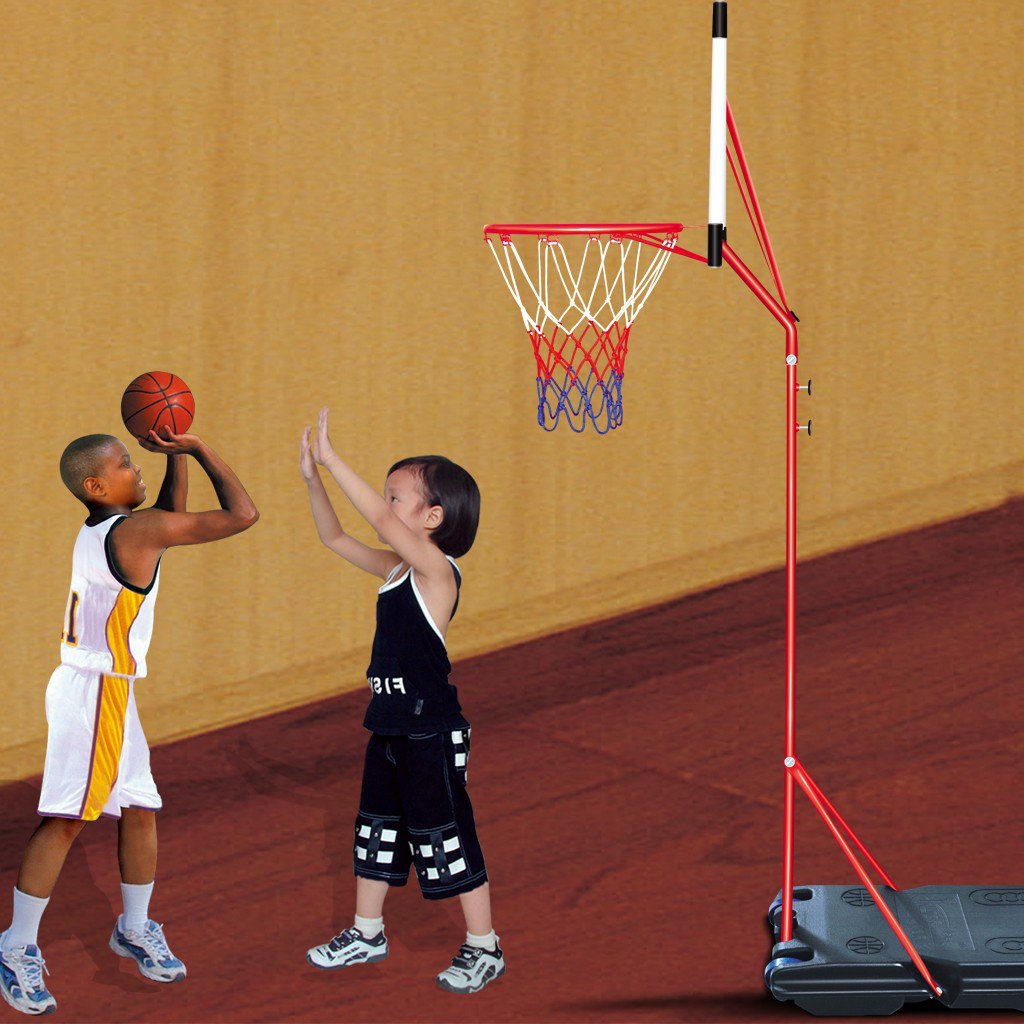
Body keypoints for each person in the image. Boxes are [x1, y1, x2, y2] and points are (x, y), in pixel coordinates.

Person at [0, 426, 258, 1016]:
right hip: (93, 694)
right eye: (124, 463)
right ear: (96, 485)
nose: (135, 467)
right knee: (67, 820)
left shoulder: (111, 529)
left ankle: (134, 928)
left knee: (140, 808)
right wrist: (198, 449)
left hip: (109, 689)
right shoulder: (136, 531)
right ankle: (15, 946)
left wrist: (172, 461)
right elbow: (243, 516)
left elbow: (168, 520)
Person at [299, 407, 504, 994]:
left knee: (447, 835)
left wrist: (334, 459)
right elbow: (335, 537)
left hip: (430, 730)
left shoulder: (439, 573)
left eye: (395, 497)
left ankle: (484, 947)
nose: (385, 507)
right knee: (378, 829)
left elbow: (382, 525)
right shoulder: (395, 572)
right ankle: (367, 933)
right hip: (389, 724)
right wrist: (314, 479)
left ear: (433, 518)